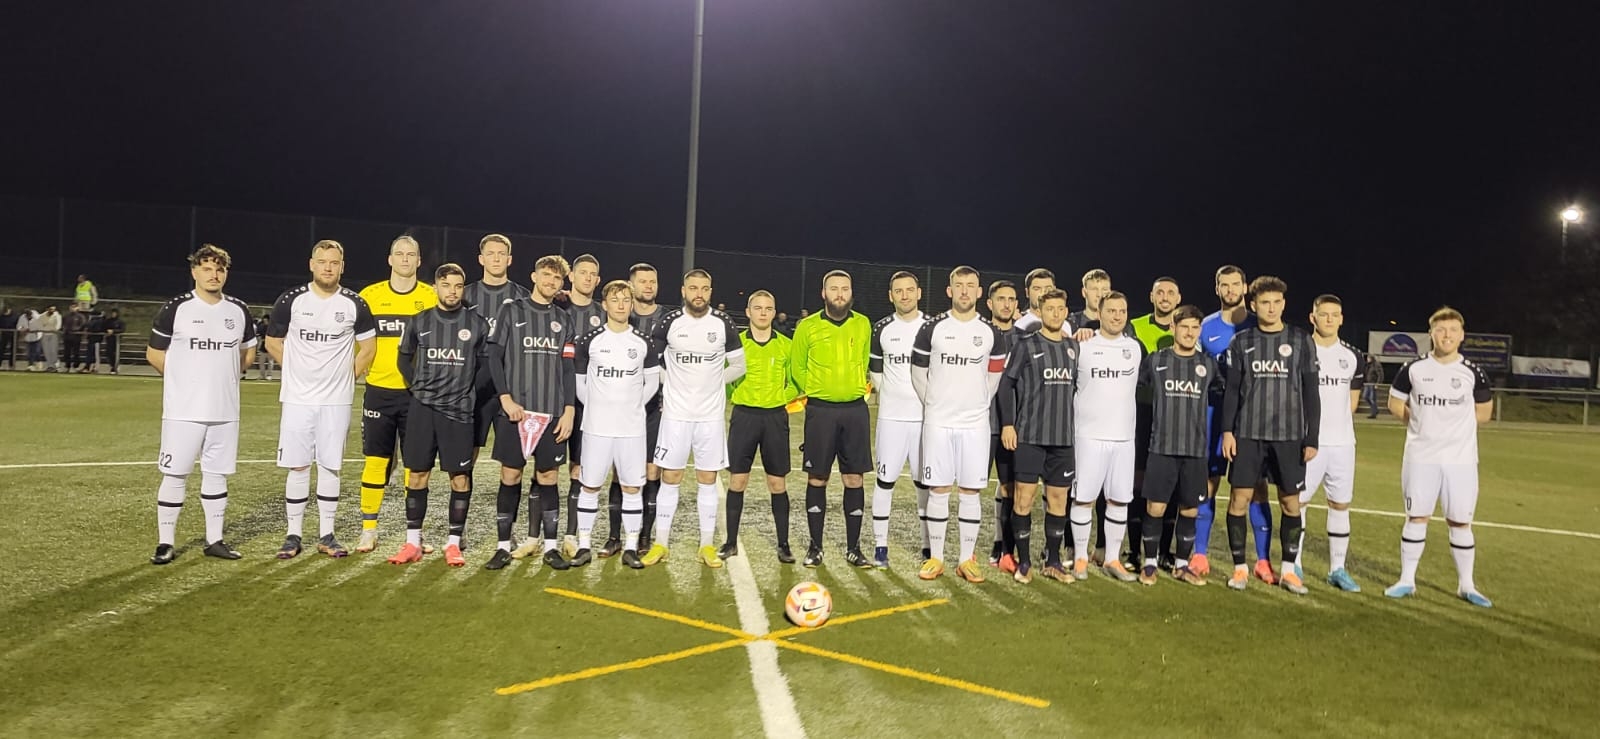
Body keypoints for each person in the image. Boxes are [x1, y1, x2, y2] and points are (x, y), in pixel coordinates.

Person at [265, 240, 377, 559]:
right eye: (322, 261)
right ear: (311, 264)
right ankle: (293, 535)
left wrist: (344, 378)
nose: (328, 267)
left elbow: (369, 349)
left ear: (342, 266)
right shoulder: (291, 300)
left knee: (330, 466)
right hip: (298, 399)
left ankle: (327, 534)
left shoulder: (355, 303)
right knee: (298, 466)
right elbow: (272, 342)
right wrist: (296, 371)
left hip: (335, 401)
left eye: (334, 262)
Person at [147, 244, 257, 564]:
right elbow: (154, 353)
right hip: (184, 412)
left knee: (217, 475)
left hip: (225, 411)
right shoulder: (177, 308)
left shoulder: (238, 310)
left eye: (220, 269)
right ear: (194, 271)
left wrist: (225, 378)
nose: (214, 274)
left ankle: (215, 540)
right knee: (175, 475)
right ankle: (165, 543)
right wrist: (182, 381)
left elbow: (248, 352)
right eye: (207, 268)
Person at [1383, 307, 1495, 608]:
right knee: (1416, 517)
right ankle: (1407, 580)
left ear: (1462, 335)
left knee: (1460, 522)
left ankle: (1466, 585)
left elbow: (1484, 412)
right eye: (1441, 330)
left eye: (1453, 330)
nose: (1447, 335)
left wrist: (1452, 427)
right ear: (1431, 333)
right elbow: (1395, 404)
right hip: (1421, 457)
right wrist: (1421, 424)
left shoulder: (1473, 371)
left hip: (1461, 461)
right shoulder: (1413, 368)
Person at [1219, 275, 1319, 594]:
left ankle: (1288, 571)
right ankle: (1240, 568)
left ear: (1284, 304)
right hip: (1248, 434)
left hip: (1289, 436)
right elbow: (1232, 391)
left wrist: (1312, 437)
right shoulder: (1242, 342)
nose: (1271, 308)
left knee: (1290, 503)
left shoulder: (1301, 340)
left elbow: (1311, 392)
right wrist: (1227, 431)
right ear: (1254, 305)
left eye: (1276, 302)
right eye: (1265, 302)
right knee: (1239, 500)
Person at [912, 265, 1009, 582]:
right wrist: (934, 402)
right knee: (938, 489)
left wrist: (977, 403)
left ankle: (967, 559)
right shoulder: (932, 328)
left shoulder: (991, 333)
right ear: (949, 290)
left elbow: (994, 377)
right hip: (939, 422)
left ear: (979, 292)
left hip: (975, 424)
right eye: (959, 285)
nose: (965, 290)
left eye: (970, 285)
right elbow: (918, 372)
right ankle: (937, 558)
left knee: (970, 490)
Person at [386, 263, 488, 568]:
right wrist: (416, 386)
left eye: (458, 286)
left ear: (463, 289)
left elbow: (486, 366)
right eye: (446, 285)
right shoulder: (420, 321)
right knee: (417, 474)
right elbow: (403, 358)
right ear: (436, 287)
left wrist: (467, 390)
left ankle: (453, 544)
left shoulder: (477, 324)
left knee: (460, 477)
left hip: (458, 412)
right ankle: (412, 543)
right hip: (424, 409)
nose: (452, 291)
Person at [643, 269, 745, 568]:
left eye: (704, 288)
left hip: (709, 417)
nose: (698, 294)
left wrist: (714, 383)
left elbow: (739, 366)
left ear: (710, 291)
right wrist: (670, 384)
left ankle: (706, 545)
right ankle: (661, 543)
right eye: (693, 288)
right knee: (670, 477)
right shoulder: (670, 322)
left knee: (707, 479)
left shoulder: (723, 323)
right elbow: (652, 363)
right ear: (683, 290)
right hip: (676, 415)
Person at [488, 255, 578, 571]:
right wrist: (505, 398)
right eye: (546, 275)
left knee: (548, 476)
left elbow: (568, 369)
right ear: (534, 276)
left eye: (557, 278)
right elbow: (494, 357)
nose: (551, 281)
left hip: (552, 413)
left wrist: (568, 410)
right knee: (510, 475)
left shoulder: (563, 320)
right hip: (516, 412)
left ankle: (550, 547)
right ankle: (502, 546)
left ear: (561, 283)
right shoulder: (511, 310)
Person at [355, 235, 439, 553]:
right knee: (376, 461)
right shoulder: (369, 296)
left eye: (411, 254)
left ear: (419, 261)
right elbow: (355, 342)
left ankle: (414, 534)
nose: (405, 259)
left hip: (417, 395)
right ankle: (369, 530)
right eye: (399, 254)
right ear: (390, 259)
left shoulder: (430, 297)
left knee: (415, 466)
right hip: (379, 392)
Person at [572, 280, 660, 569]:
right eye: (615, 299)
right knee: (590, 486)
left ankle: (631, 547)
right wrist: (599, 406)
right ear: (605, 304)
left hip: (631, 430)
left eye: (625, 300)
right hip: (597, 427)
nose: (621, 305)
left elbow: (652, 382)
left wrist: (632, 405)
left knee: (632, 488)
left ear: (631, 304)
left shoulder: (643, 342)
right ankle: (584, 545)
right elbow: (580, 385)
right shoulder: (590, 341)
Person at [790, 270, 874, 568]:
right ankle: (815, 547)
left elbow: (864, 360)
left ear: (851, 293)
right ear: (823, 293)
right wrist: (817, 391)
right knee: (818, 477)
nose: (840, 294)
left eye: (845, 289)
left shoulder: (863, 324)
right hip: (820, 412)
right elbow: (797, 368)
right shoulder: (807, 326)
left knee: (854, 478)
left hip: (855, 411)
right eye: (834, 289)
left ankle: (854, 549)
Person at [1192, 265, 1270, 579]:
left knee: (1256, 488)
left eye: (1235, 284)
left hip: (1250, 418)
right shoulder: (1206, 327)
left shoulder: (1258, 325)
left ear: (1245, 287)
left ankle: (1262, 560)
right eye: (1224, 285)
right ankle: (1200, 554)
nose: (1230, 290)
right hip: (1212, 415)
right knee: (1207, 483)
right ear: (1217, 289)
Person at [998, 288, 1078, 583]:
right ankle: (1024, 562)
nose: (1055, 314)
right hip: (1030, 436)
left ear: (1066, 313)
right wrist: (1008, 425)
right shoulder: (1026, 345)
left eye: (1060, 309)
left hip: (1063, 439)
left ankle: (1053, 561)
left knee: (1058, 500)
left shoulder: (1074, 348)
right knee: (1023, 499)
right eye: (1049, 309)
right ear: (1040, 313)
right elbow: (1005, 386)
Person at [1068, 291, 1144, 582]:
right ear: (1099, 314)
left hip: (1124, 438)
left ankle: (1112, 558)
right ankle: (1080, 558)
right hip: (1089, 436)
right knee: (1083, 500)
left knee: (1119, 500)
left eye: (1122, 311)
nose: (1117, 316)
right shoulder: (1083, 345)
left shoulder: (1134, 348)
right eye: (1111, 311)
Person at [1136, 305, 1215, 586]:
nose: (1190, 333)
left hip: (1195, 450)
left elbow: (1221, 394)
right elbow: (1138, 390)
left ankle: (1182, 565)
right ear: (1173, 328)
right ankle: (1149, 564)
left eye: (1195, 328)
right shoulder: (1156, 361)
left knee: (1190, 509)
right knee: (1155, 507)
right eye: (1184, 327)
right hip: (1161, 447)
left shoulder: (1208, 365)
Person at [722, 290, 799, 562]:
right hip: (744, 417)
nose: (763, 313)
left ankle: (783, 544)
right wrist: (738, 396)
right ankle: (730, 542)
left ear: (774, 312)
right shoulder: (737, 344)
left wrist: (779, 398)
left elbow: (796, 382)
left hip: (775, 418)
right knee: (738, 480)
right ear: (748, 312)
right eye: (758, 308)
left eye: (768, 308)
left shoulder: (787, 345)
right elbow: (726, 380)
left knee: (777, 483)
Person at [1295, 294, 1364, 591]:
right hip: (1308, 442)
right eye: (1324, 314)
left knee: (1340, 504)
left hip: (1342, 444)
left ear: (1341, 318)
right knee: (1298, 503)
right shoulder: (1300, 351)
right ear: (1313, 317)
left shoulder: (1353, 356)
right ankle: (1294, 563)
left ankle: (1337, 568)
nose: (1329, 319)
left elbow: (1352, 403)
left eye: (1335, 314)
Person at [869, 271, 930, 568]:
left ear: (919, 293)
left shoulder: (932, 328)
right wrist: (893, 398)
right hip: (891, 420)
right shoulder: (881, 329)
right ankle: (880, 547)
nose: (904, 295)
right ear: (890, 295)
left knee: (924, 484)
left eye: (909, 290)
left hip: (924, 421)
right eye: (898, 291)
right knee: (884, 482)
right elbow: (876, 373)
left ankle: (928, 547)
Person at [561, 254, 605, 558]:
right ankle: (537, 536)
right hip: (555, 398)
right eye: (583, 273)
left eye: (592, 274)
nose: (587, 278)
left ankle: (570, 534)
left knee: (578, 468)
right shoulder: (557, 306)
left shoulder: (603, 313)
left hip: (589, 402)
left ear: (597, 280)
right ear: (572, 277)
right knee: (546, 468)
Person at [626, 263, 668, 555]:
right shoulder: (620, 314)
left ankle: (644, 535)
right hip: (621, 405)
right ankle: (616, 536)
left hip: (657, 406)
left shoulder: (668, 318)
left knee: (652, 469)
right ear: (631, 285)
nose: (648, 286)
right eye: (642, 281)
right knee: (622, 472)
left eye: (652, 281)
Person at [985, 279, 1021, 571]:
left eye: (1011, 299)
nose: (1006, 304)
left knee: (1010, 487)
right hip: (982, 424)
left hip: (1012, 426)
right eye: (1001, 299)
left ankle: (1004, 547)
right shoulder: (981, 334)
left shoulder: (1024, 339)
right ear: (990, 303)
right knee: (972, 487)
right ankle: (966, 553)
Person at [1130, 277, 1181, 352]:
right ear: (1151, 297)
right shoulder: (1133, 326)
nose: (1165, 298)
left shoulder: (1189, 328)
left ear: (1178, 298)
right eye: (1160, 293)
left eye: (1170, 293)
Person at [1013, 268, 1057, 334]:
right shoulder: (1017, 322)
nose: (1043, 293)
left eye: (1048, 288)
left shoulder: (1067, 324)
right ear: (1027, 292)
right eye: (1037, 289)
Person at [99, 308, 126, 374]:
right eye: (112, 313)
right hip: (109, 339)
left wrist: (113, 331)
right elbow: (103, 328)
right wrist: (107, 331)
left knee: (116, 353)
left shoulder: (120, 322)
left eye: (114, 313)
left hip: (116, 340)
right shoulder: (108, 321)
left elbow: (122, 330)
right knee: (109, 353)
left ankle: (115, 366)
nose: (113, 314)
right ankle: (112, 365)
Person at [63, 305, 88, 372]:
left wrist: (76, 330)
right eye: (71, 307)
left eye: (74, 307)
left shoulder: (80, 316)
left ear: (77, 308)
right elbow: (63, 324)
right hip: (67, 337)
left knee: (76, 352)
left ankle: (76, 366)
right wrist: (65, 331)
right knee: (67, 352)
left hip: (76, 337)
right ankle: (67, 366)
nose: (72, 308)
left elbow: (82, 325)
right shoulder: (66, 316)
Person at [38, 306, 62, 371]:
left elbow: (58, 325)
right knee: (46, 351)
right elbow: (40, 325)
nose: (52, 311)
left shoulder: (57, 315)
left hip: (53, 334)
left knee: (53, 350)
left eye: (53, 309)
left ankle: (56, 365)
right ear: (47, 309)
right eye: (51, 309)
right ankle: (50, 365)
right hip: (45, 334)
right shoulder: (42, 316)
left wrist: (54, 329)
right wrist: (44, 329)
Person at [255, 311, 275, 380]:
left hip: (270, 347)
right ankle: (262, 375)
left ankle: (269, 375)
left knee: (270, 362)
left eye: (266, 320)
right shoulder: (261, 327)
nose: (265, 321)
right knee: (261, 362)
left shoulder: (273, 327)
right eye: (264, 320)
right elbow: (259, 336)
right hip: (263, 347)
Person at [1363, 353, 1384, 418]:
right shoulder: (1368, 365)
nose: (1367, 359)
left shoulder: (1376, 365)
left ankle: (1373, 413)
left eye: (1368, 358)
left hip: (1373, 383)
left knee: (1372, 398)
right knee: (1365, 397)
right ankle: (1375, 409)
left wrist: (1378, 383)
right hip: (1367, 383)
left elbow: (1380, 375)